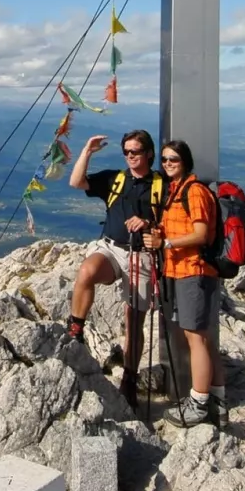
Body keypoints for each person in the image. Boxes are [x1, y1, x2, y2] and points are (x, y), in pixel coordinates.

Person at [144, 139, 227, 427]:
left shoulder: (195, 192)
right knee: (202, 339)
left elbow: (201, 234)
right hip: (179, 271)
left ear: (185, 162)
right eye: (165, 159)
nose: (168, 164)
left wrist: (165, 242)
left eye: (173, 160)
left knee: (196, 339)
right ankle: (217, 398)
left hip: (194, 271)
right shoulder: (175, 192)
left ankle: (200, 403)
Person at [65, 129, 162, 346]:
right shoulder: (115, 179)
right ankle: (75, 328)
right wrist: (87, 152)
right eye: (126, 152)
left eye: (135, 151)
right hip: (111, 249)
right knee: (87, 271)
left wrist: (149, 223)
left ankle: (130, 375)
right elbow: (76, 182)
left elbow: (174, 220)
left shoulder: (161, 185)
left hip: (143, 257)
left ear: (148, 153)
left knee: (134, 321)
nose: (130, 156)